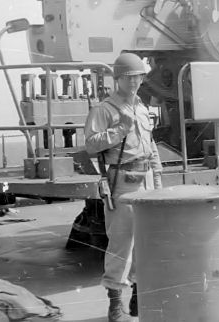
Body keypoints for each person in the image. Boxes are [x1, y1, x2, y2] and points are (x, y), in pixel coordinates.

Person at [84, 52, 163, 321]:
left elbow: (150, 145)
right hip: (122, 182)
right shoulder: (104, 109)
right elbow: (92, 144)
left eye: (138, 77)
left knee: (148, 241)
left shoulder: (142, 108)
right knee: (122, 244)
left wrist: (158, 176)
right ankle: (115, 302)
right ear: (117, 79)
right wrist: (120, 129)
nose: (133, 82)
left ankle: (139, 295)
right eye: (128, 77)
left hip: (147, 181)